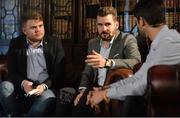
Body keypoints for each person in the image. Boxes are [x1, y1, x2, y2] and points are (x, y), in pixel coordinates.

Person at [86, 0, 180, 116]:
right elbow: (138, 77)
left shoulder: (169, 42)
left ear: (141, 21)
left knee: (131, 99)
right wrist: (105, 89)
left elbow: (140, 86)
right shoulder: (162, 40)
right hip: (157, 99)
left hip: (165, 105)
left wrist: (105, 94)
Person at [72, 6, 141, 116]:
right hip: (94, 87)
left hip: (114, 89)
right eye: (100, 25)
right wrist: (82, 91)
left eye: (108, 24)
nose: (104, 29)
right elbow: (87, 71)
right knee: (78, 110)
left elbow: (136, 62)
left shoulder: (127, 39)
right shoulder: (93, 43)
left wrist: (107, 62)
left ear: (116, 25)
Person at [0, 11, 65, 116]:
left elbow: (59, 72)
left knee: (39, 108)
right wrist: (23, 83)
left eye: (40, 26)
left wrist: (44, 86)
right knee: (4, 87)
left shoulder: (55, 43)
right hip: (24, 87)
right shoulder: (16, 43)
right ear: (24, 30)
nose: (38, 30)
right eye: (33, 27)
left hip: (46, 88)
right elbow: (12, 72)